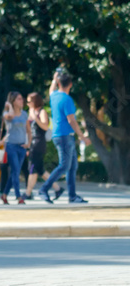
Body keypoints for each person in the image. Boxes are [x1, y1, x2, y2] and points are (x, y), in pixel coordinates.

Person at [38, 71, 90, 204]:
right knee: (64, 166)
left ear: (59, 83)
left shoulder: (54, 96)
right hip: (65, 136)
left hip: (60, 135)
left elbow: (51, 89)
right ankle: (44, 189)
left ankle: (72, 196)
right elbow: (71, 120)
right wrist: (82, 137)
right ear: (70, 84)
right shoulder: (67, 99)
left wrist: (54, 79)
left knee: (72, 167)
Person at [23, 92, 63, 201]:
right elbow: (29, 131)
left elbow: (45, 127)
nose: (27, 103)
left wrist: (35, 118)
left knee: (32, 168)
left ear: (35, 101)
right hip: (33, 143)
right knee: (40, 169)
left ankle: (28, 193)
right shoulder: (31, 112)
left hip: (39, 143)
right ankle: (57, 188)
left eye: (29, 101)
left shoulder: (42, 112)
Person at [1, 91, 29, 204]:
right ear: (13, 101)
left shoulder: (24, 114)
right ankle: (18, 197)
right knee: (16, 171)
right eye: (19, 99)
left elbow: (28, 130)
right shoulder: (6, 114)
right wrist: (9, 106)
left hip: (22, 146)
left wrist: (28, 144)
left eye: (22, 98)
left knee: (15, 172)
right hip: (11, 145)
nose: (22, 101)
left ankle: (4, 194)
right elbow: (10, 116)